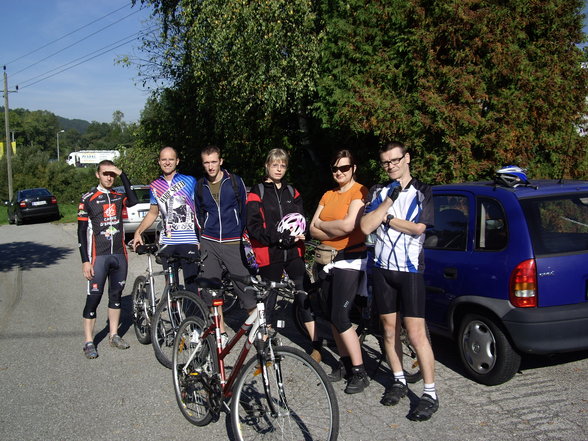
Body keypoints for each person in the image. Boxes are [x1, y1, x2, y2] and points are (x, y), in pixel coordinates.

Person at [360, 141, 438, 421]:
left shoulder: (422, 190)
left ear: (407, 158)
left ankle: (430, 393)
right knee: (389, 331)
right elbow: (366, 226)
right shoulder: (379, 191)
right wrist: (388, 203)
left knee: (416, 334)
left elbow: (418, 228)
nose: (391, 166)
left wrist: (388, 218)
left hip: (410, 271)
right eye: (385, 162)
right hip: (382, 269)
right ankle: (398, 380)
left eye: (395, 160)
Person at [246, 148, 321, 362]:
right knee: (270, 298)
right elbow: (253, 226)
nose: (279, 169)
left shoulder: (292, 191)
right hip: (270, 253)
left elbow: (300, 219)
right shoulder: (257, 192)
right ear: (267, 166)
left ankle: (316, 345)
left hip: (294, 253)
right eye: (275, 165)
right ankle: (265, 342)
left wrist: (299, 234)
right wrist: (278, 238)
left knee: (302, 293)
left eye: (283, 165)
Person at [309, 149, 369, 393]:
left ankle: (360, 370)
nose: (340, 172)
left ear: (353, 168)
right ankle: (344, 364)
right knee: (331, 314)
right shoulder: (328, 194)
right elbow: (311, 229)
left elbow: (349, 225)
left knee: (342, 316)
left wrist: (324, 225)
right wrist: (328, 228)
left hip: (350, 259)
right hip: (326, 259)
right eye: (335, 169)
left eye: (344, 168)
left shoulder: (359, 191)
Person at [78, 160, 138, 359]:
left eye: (112, 174)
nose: (109, 177)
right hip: (98, 257)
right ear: (98, 174)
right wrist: (85, 260)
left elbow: (135, 200)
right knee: (93, 299)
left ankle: (114, 335)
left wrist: (123, 173)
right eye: (105, 174)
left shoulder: (118, 196)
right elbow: (80, 233)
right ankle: (88, 341)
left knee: (116, 296)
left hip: (120, 255)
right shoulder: (88, 198)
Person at [195, 145, 256, 343]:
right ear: (203, 164)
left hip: (233, 240)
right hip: (210, 241)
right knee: (213, 287)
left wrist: (242, 234)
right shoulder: (200, 185)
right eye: (206, 162)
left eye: (214, 161)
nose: (210, 166)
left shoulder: (235, 181)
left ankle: (256, 328)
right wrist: (202, 237)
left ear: (220, 161)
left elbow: (244, 208)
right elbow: (199, 213)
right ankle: (219, 328)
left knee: (244, 284)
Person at [132, 146, 200, 294]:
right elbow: (153, 213)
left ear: (177, 161)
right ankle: (174, 315)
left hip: (189, 240)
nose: (167, 162)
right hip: (167, 242)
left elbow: (199, 210)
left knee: (192, 286)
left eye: (171, 159)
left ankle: (193, 317)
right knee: (171, 286)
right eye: (164, 159)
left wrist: (201, 238)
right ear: (159, 162)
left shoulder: (190, 181)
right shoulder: (155, 186)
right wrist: (138, 232)